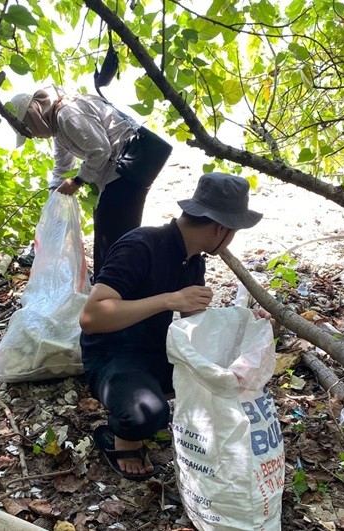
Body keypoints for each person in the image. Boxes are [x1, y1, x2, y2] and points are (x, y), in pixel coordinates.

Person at [78, 172, 263, 481]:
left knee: (229, 379)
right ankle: (121, 437)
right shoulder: (141, 245)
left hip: (157, 349)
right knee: (147, 414)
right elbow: (91, 317)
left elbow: (196, 323)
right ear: (221, 228)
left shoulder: (193, 260)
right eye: (233, 232)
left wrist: (245, 328)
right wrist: (167, 300)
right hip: (113, 354)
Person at [7, 87, 172, 276]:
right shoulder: (58, 127)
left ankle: (119, 287)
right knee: (108, 233)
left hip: (124, 172)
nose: (32, 135)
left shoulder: (67, 115)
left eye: (28, 128)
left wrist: (77, 181)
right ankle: (110, 286)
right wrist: (54, 192)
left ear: (33, 116)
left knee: (116, 236)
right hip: (116, 176)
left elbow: (101, 150)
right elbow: (62, 165)